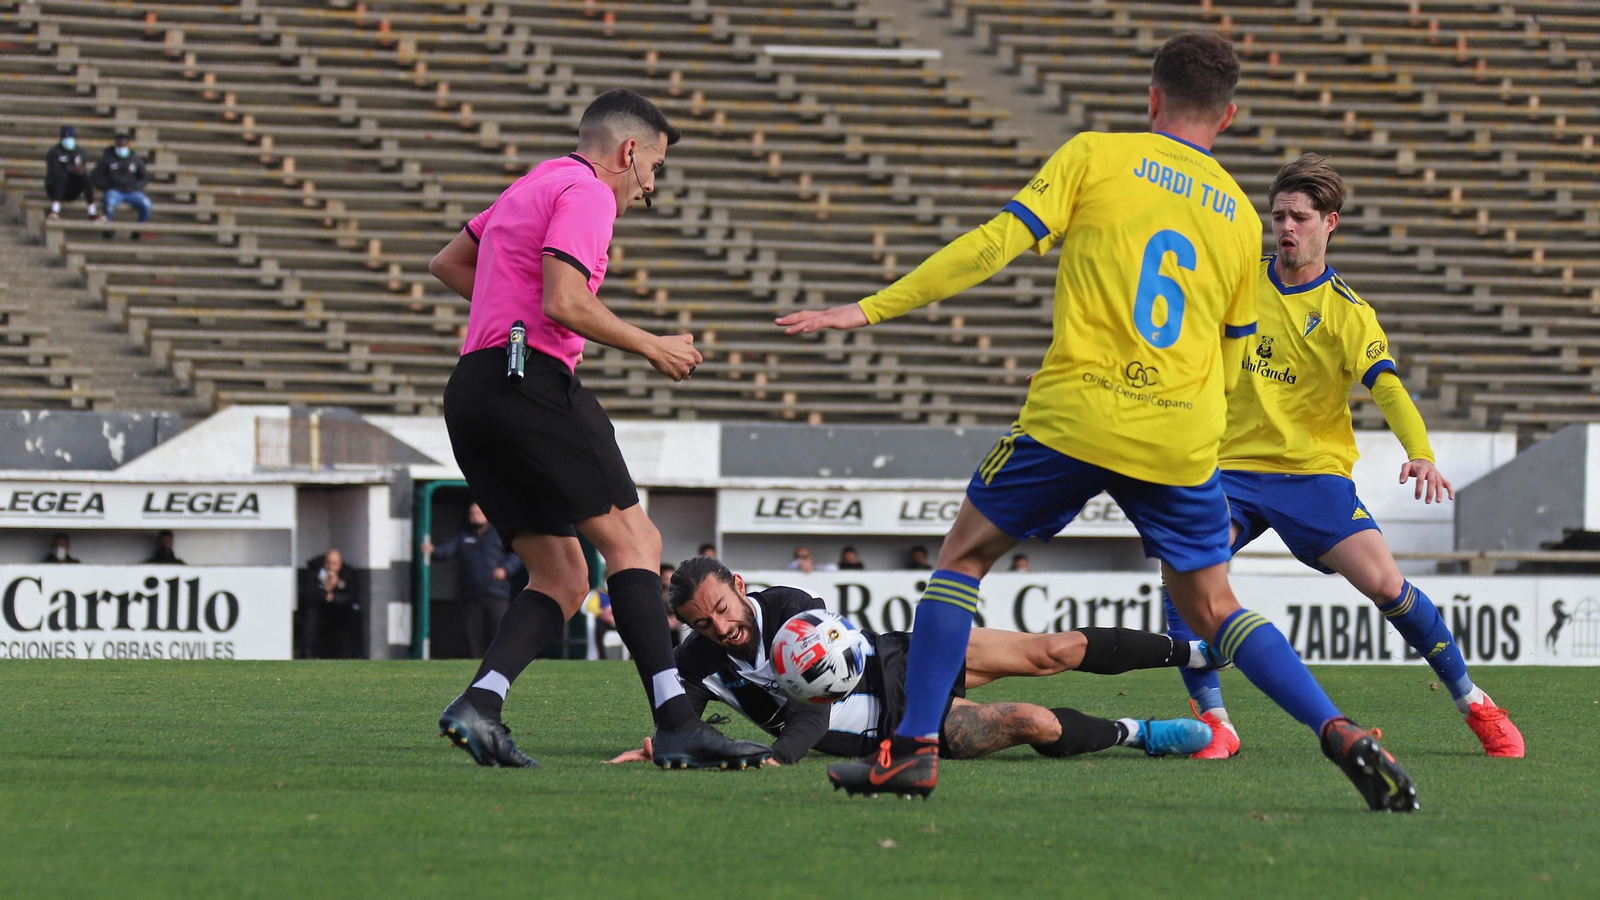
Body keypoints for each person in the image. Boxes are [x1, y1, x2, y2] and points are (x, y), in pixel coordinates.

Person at [777, 33, 1417, 811]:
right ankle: (1339, 731)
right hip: (1179, 436)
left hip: (1075, 415)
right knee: (1217, 609)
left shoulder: (1095, 156)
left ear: (1153, 98)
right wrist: (1196, 435)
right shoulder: (1236, 218)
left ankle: (912, 752)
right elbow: (1235, 356)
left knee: (962, 561)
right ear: (1228, 116)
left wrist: (871, 308)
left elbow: (993, 244)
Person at [427, 88, 768, 770]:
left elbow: (449, 263)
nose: (651, 186)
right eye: (655, 167)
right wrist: (652, 344)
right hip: (531, 384)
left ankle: (480, 704)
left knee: (561, 573)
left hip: (474, 391)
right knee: (636, 542)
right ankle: (677, 723)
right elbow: (565, 299)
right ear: (630, 150)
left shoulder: (532, 183)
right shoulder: (587, 193)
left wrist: (514, 317)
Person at [1165, 155, 1524, 760]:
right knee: (1184, 572)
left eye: (1300, 217)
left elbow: (1389, 388)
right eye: (1279, 215)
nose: (1286, 227)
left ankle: (1474, 701)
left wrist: (1421, 454)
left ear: (1329, 223)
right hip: (1230, 471)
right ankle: (1215, 723)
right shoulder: (1238, 282)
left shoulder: (1348, 312)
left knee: (1387, 585)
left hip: (1312, 477)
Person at [607, 558, 1218, 767]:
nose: (720, 628)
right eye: (702, 624)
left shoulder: (790, 607)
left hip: (898, 659)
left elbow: (812, 706)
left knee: (1049, 650)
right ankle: (1140, 733)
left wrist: (779, 754)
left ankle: (1198, 650)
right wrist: (668, 744)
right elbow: (682, 722)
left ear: (739, 586)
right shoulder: (696, 661)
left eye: (721, 608)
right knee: (1034, 721)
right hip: (890, 729)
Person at [421, 503, 524, 658]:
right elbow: (447, 551)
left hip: (497, 594)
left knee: (499, 630)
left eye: (478, 513)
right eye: (472, 513)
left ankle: (501, 661)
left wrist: (505, 569)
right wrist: (433, 550)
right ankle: (476, 663)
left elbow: (517, 555)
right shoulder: (463, 536)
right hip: (471, 594)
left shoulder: (499, 535)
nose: (475, 516)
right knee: (472, 634)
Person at [301, 549, 358, 659]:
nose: (331, 567)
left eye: (335, 564)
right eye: (328, 563)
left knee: (350, 615)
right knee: (311, 615)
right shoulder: (314, 573)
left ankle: (346, 654)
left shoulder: (348, 574)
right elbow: (309, 595)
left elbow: (351, 596)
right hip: (319, 606)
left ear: (340, 564)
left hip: (338, 607)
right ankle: (309, 653)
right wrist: (326, 589)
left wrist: (334, 597)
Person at [92, 132, 152, 236]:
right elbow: (95, 176)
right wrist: (106, 186)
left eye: (124, 145)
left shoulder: (135, 160)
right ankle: (108, 230)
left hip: (132, 191)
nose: (122, 148)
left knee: (147, 205)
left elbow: (144, 177)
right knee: (109, 204)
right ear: (116, 145)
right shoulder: (107, 159)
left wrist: (137, 186)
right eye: (119, 145)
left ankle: (138, 230)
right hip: (114, 191)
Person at [44, 126, 98, 221]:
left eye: (71, 138)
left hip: (72, 189)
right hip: (55, 188)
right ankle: (55, 210)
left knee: (85, 176)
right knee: (62, 175)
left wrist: (79, 170)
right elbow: (53, 172)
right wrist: (70, 169)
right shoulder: (54, 152)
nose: (69, 140)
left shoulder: (80, 152)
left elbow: (82, 169)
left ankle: (92, 211)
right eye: (66, 138)